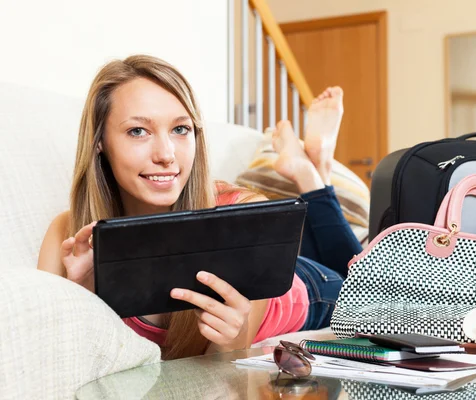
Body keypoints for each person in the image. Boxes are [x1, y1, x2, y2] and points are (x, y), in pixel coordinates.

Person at [37, 55, 363, 360]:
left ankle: (310, 173)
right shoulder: (68, 235)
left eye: (181, 129)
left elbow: (230, 358)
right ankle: (314, 170)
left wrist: (233, 336)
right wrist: (82, 301)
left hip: (308, 288)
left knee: (368, 282)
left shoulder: (243, 221)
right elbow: (56, 360)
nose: (166, 154)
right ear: (99, 142)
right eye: (138, 131)